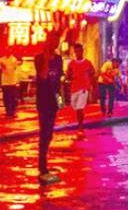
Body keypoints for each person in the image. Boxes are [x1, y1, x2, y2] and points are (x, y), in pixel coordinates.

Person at [34, 31, 63, 184]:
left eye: (57, 41)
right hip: (43, 100)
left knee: (49, 133)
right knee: (44, 133)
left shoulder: (59, 59)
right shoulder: (39, 58)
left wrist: (60, 102)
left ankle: (43, 163)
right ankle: (42, 166)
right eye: (53, 41)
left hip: (54, 101)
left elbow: (58, 81)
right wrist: (46, 58)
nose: (55, 44)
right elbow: (43, 76)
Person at [66, 43, 95, 137]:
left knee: (79, 108)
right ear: (74, 52)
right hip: (74, 88)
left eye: (79, 51)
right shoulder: (71, 63)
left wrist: (91, 86)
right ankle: (80, 122)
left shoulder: (88, 63)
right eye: (76, 51)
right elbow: (68, 75)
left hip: (84, 88)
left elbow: (92, 74)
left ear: (82, 51)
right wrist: (69, 76)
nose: (78, 53)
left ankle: (80, 126)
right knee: (75, 106)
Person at [0, 49, 20, 117]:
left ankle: (13, 111)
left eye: (9, 51)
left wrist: (5, 67)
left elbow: (13, 69)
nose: (8, 53)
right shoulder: (1, 60)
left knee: (13, 97)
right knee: (6, 97)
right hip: (5, 82)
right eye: (6, 51)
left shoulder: (14, 59)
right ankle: (8, 111)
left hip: (12, 81)